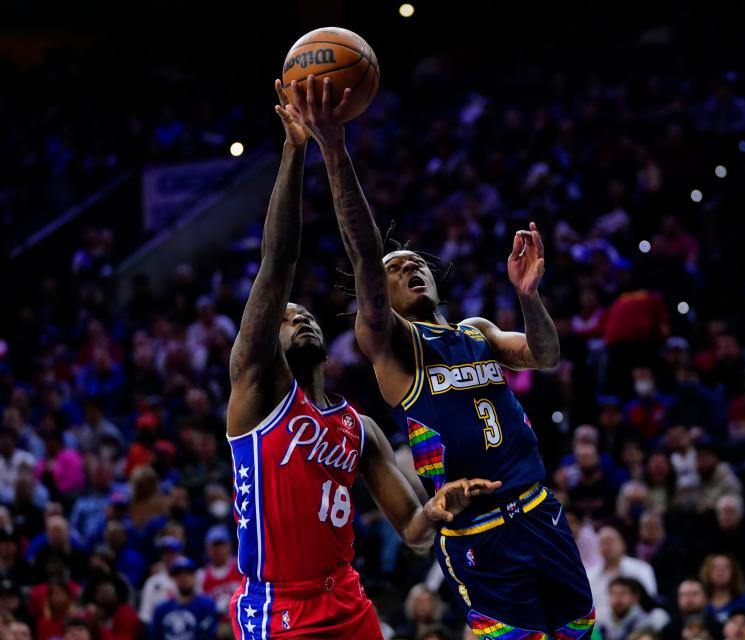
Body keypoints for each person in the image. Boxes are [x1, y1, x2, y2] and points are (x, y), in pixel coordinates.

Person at [292, 75, 595, 638]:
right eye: (395, 267)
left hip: (539, 510)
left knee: (580, 630)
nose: (409, 267)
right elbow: (362, 251)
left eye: (416, 262)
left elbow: (545, 355)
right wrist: (335, 150)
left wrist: (529, 299)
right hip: (479, 533)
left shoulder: (476, 330)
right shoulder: (396, 345)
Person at [224, 79, 501, 639]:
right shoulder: (255, 391)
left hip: (347, 597)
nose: (295, 316)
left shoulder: (361, 429)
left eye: (303, 313)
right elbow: (277, 261)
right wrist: (294, 152)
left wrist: (440, 504)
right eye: (283, 318)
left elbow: (415, 531)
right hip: (279, 605)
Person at [150, 557, 217, 640]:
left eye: (188, 573)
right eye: (179, 574)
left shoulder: (206, 605)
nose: (184, 578)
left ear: (194, 577)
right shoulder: (161, 609)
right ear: (174, 578)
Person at [600, 577, 670, 640]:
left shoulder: (648, 621)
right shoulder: (601, 623)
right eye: (614, 593)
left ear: (635, 597)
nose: (618, 599)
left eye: (623, 593)